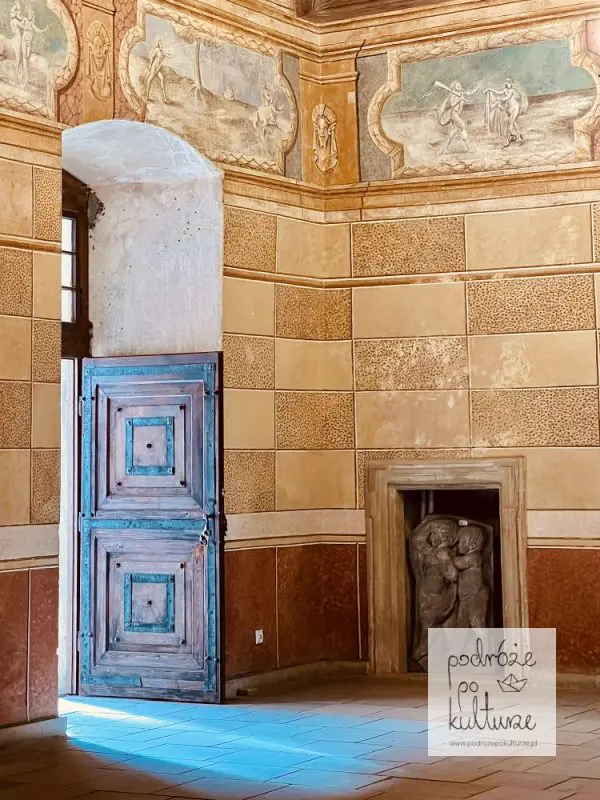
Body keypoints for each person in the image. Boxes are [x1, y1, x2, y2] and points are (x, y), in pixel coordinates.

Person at [454, 524, 489, 629]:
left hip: (476, 595)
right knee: (461, 624)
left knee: (476, 623)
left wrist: (447, 554)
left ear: (472, 545)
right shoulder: (469, 556)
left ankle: (482, 640)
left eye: (462, 542)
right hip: (465, 596)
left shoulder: (474, 557)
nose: (458, 545)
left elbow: (457, 563)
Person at [434, 79, 479, 154]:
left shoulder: (461, 93)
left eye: (459, 85)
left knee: (455, 130)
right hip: (454, 114)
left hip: (456, 114)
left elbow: (469, 93)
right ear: (454, 88)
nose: (459, 87)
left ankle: (445, 149)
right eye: (457, 86)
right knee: (463, 127)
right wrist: (459, 99)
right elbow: (452, 104)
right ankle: (469, 148)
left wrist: (475, 90)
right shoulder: (453, 95)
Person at [484, 77, 528, 147]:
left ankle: (507, 140)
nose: (508, 84)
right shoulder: (505, 90)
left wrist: (499, 98)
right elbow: (498, 92)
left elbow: (507, 98)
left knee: (510, 123)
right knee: (513, 122)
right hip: (510, 109)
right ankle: (519, 137)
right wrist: (490, 89)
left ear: (512, 84)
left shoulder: (512, 91)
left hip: (515, 108)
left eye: (509, 83)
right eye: (507, 82)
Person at [144, 38, 170, 108]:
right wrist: (150, 66)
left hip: (158, 69)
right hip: (154, 67)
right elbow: (152, 57)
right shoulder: (157, 50)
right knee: (150, 79)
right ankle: (146, 96)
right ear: (158, 44)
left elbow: (168, 55)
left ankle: (165, 99)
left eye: (162, 43)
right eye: (160, 43)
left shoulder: (163, 52)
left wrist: (174, 55)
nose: (161, 44)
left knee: (162, 79)